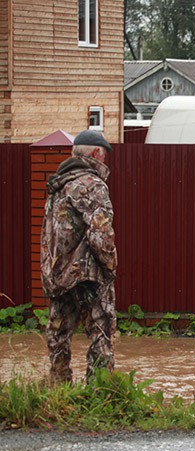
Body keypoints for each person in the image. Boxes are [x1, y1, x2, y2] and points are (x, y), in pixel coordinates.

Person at [41, 129, 117, 383]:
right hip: (88, 274)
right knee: (101, 330)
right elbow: (101, 233)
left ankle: (58, 387)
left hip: (57, 274)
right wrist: (110, 266)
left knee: (59, 332)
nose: (105, 160)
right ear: (97, 153)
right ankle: (101, 390)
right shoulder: (92, 185)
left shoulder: (57, 187)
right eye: (104, 154)